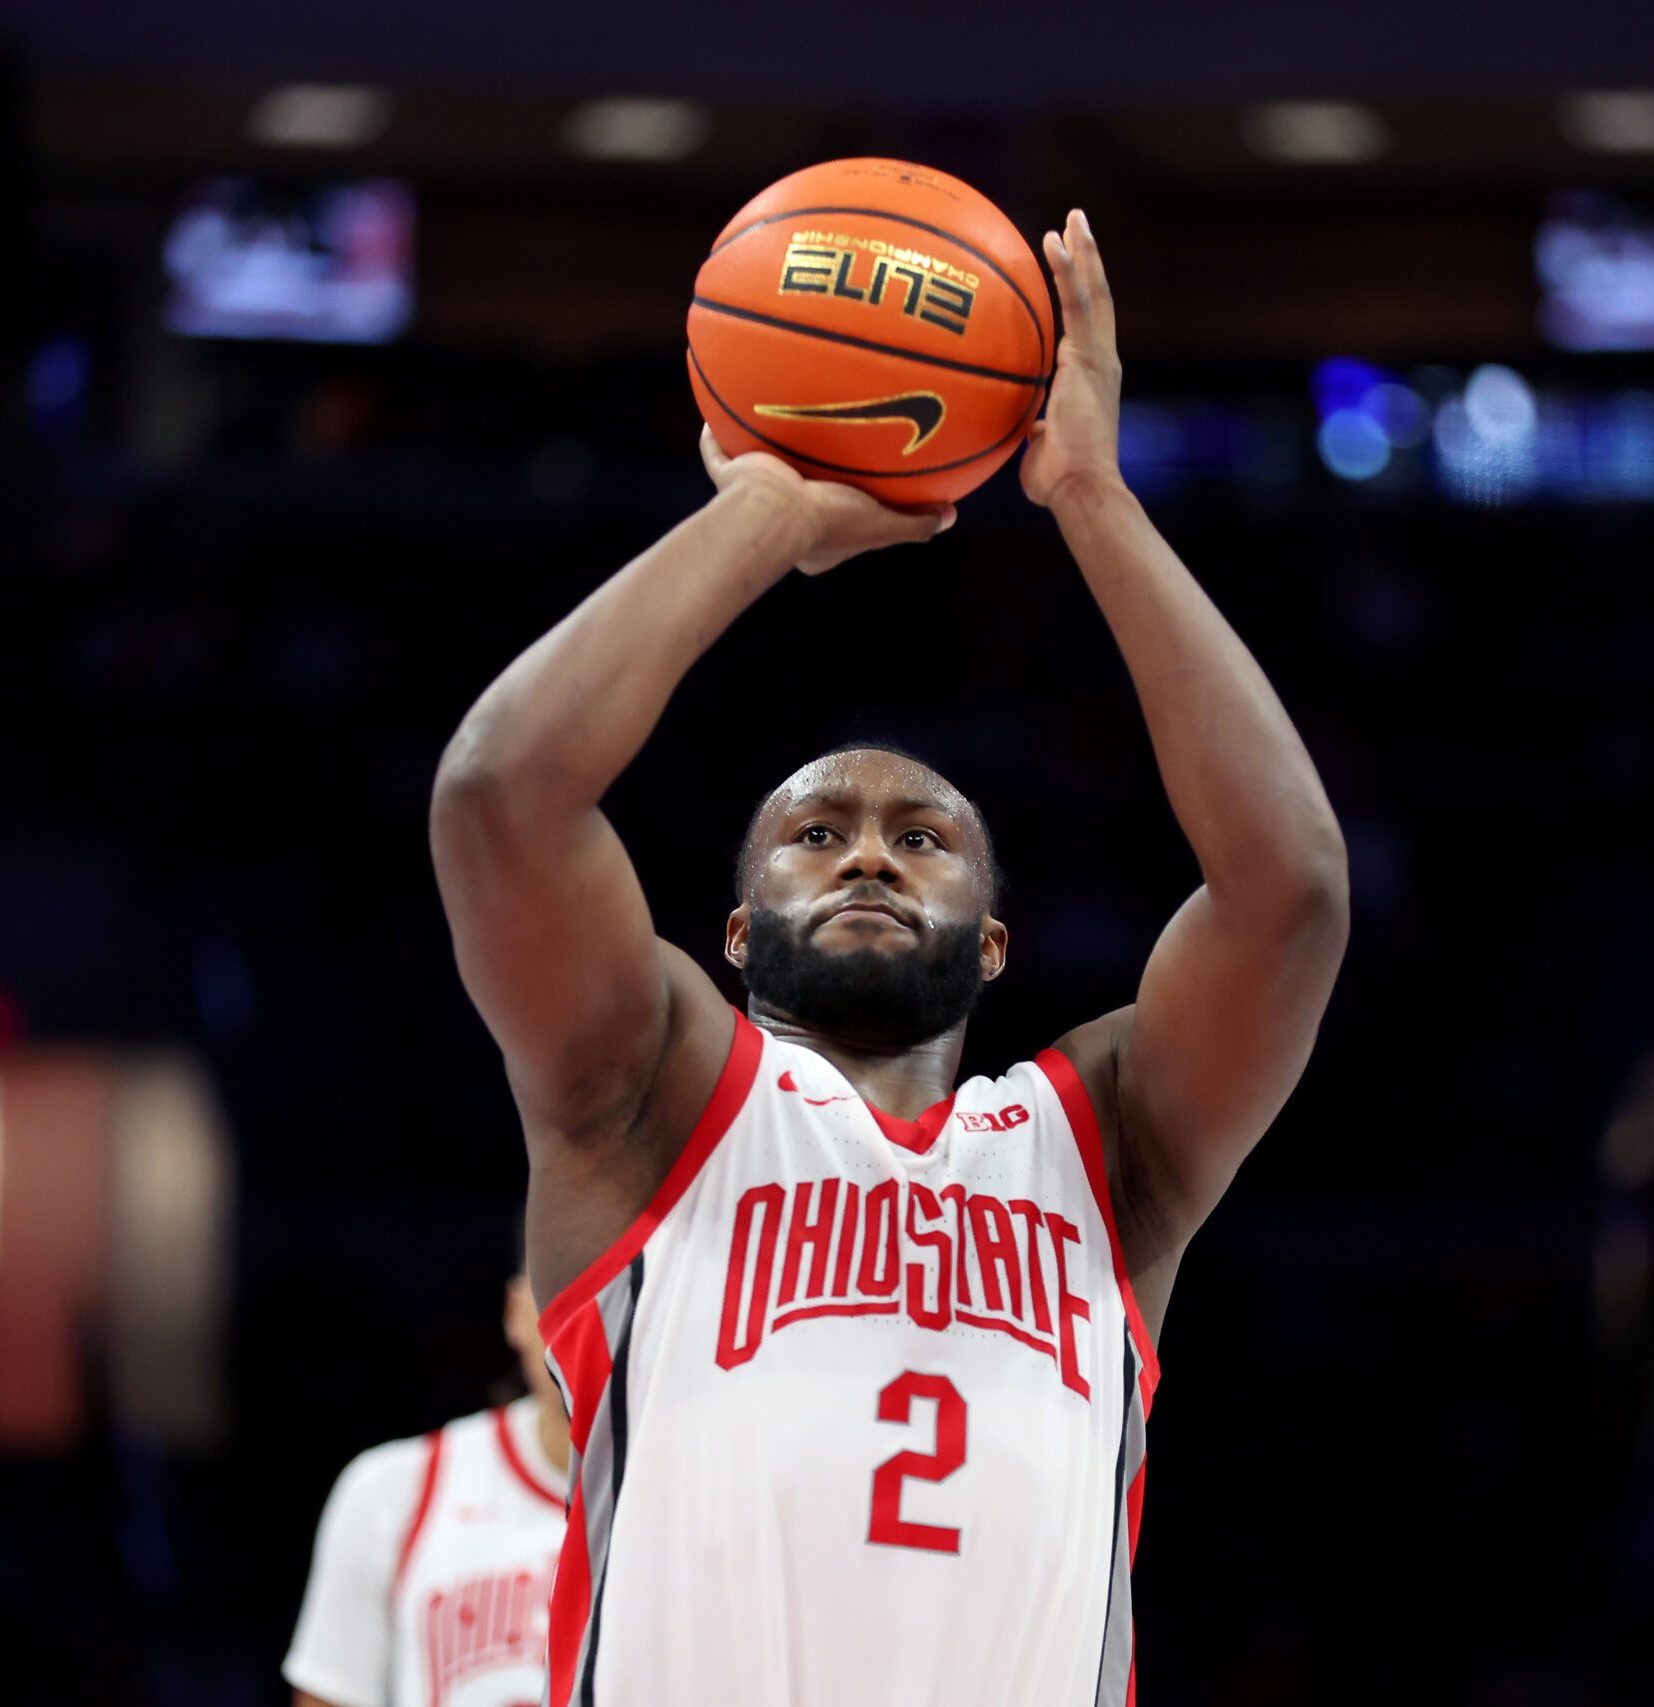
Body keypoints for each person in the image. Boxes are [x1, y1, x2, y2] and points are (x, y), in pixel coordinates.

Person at [430, 207, 1347, 1707]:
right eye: (816, 832)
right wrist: (770, 512)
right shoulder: (652, 1096)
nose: (867, 848)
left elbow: (1293, 890)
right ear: (731, 934)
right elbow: (497, 795)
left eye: (924, 835)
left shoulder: (1101, 1141)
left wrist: (1096, 499)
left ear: (995, 941)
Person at [285, 1269, 569, 1707]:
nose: (590, 1313)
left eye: (617, 1281)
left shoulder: (702, 1505)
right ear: (515, 1310)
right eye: (565, 1279)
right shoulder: (392, 1491)